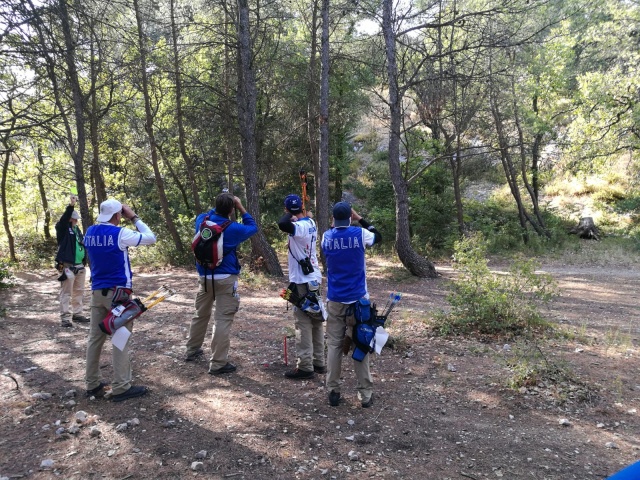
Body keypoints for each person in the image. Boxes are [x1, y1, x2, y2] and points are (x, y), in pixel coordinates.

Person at [84, 199, 157, 402]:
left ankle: (91, 383)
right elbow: (151, 238)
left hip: (97, 291)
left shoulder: (89, 232)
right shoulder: (120, 234)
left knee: (95, 338)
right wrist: (133, 217)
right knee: (120, 337)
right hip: (119, 295)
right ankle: (121, 386)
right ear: (118, 215)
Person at [185, 193, 258, 375]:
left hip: (204, 276)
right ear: (231, 210)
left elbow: (207, 214)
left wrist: (219, 206)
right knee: (222, 319)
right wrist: (241, 207)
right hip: (226, 278)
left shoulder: (202, 221)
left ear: (215, 206)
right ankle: (218, 363)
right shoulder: (234, 228)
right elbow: (253, 227)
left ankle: (192, 350)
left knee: (200, 314)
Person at [321, 201, 381, 408]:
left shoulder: (326, 237)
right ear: (350, 217)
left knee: (335, 346)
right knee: (361, 343)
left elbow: (330, 236)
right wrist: (360, 219)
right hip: (358, 302)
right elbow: (378, 236)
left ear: (333, 219)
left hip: (335, 300)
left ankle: (333, 390)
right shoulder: (359, 234)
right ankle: (365, 394)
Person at [277, 194, 326, 379]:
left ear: (287, 209)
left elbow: (283, 224)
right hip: (313, 277)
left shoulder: (299, 225)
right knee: (316, 320)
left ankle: (305, 366)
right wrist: (301, 214)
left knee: (303, 322)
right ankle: (319, 362)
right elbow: (300, 220)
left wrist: (291, 216)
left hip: (302, 281)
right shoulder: (310, 222)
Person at [55, 195, 88, 327]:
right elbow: (63, 220)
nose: (76, 221)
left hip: (79, 266)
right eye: (74, 218)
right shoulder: (62, 228)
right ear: (69, 218)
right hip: (67, 266)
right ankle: (65, 317)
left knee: (79, 290)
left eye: (76, 219)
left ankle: (77, 314)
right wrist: (71, 205)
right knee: (66, 291)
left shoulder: (77, 230)